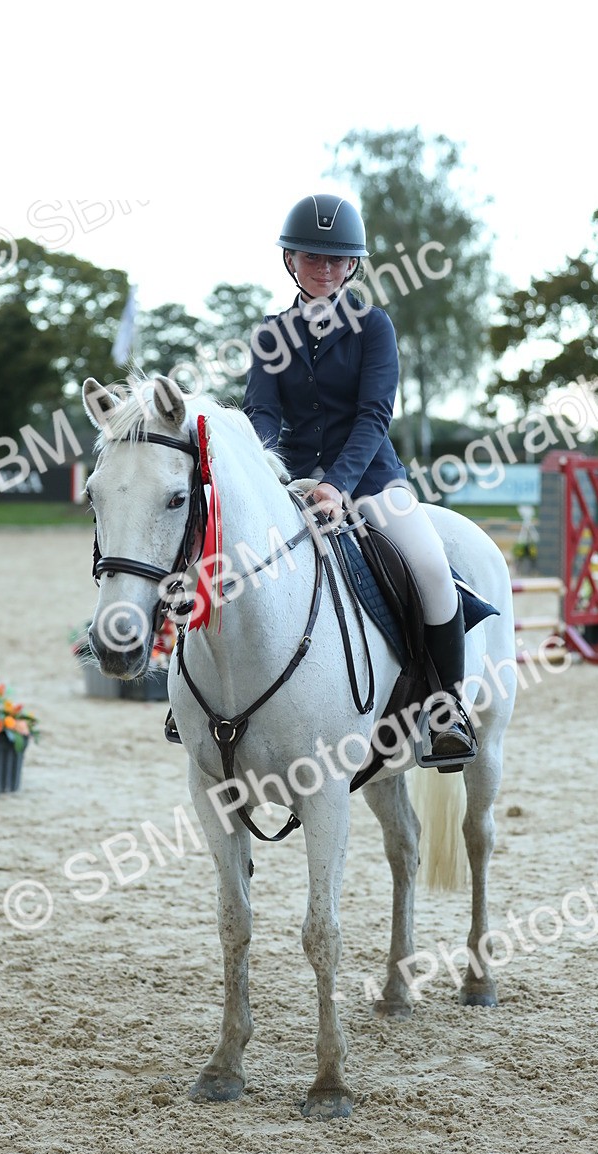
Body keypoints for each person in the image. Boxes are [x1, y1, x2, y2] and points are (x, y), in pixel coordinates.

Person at [242, 193, 473, 760]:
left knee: (431, 569)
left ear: (351, 265)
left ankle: (447, 709)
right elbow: (262, 413)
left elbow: (374, 416)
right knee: (227, 558)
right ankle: (196, 700)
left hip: (370, 479)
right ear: (290, 260)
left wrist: (338, 484)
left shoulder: (374, 326)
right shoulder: (270, 335)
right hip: (291, 480)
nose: (323, 269)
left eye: (335, 259)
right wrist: (265, 470)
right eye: (311, 257)